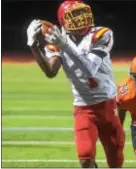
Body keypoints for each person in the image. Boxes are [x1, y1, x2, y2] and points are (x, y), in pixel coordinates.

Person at [26, 1, 125, 168]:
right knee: (85, 158)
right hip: (83, 107)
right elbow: (51, 71)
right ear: (63, 20)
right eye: (75, 16)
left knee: (115, 160)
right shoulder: (57, 41)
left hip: (107, 104)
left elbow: (90, 70)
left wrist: (65, 44)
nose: (81, 19)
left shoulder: (101, 34)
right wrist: (34, 46)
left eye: (82, 13)